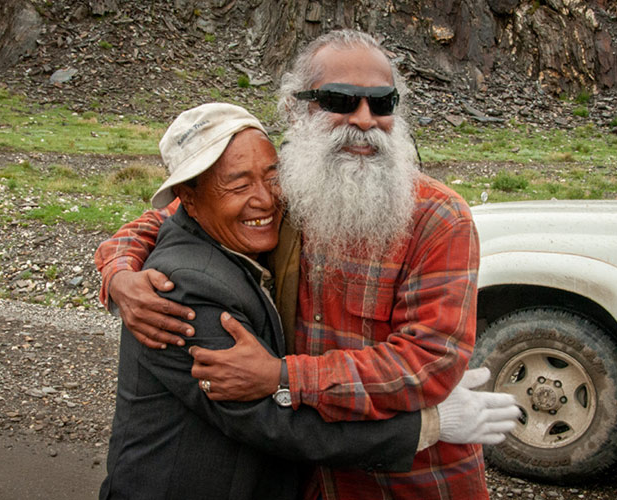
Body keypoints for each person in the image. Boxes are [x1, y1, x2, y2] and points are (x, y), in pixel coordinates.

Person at [96, 30, 515, 499]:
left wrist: (283, 377)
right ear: (298, 112)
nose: (364, 119)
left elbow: (428, 363)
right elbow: (170, 217)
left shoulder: (438, 218)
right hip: (313, 480)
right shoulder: (287, 189)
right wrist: (118, 273)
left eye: (382, 103)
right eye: (340, 99)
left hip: (411, 482)